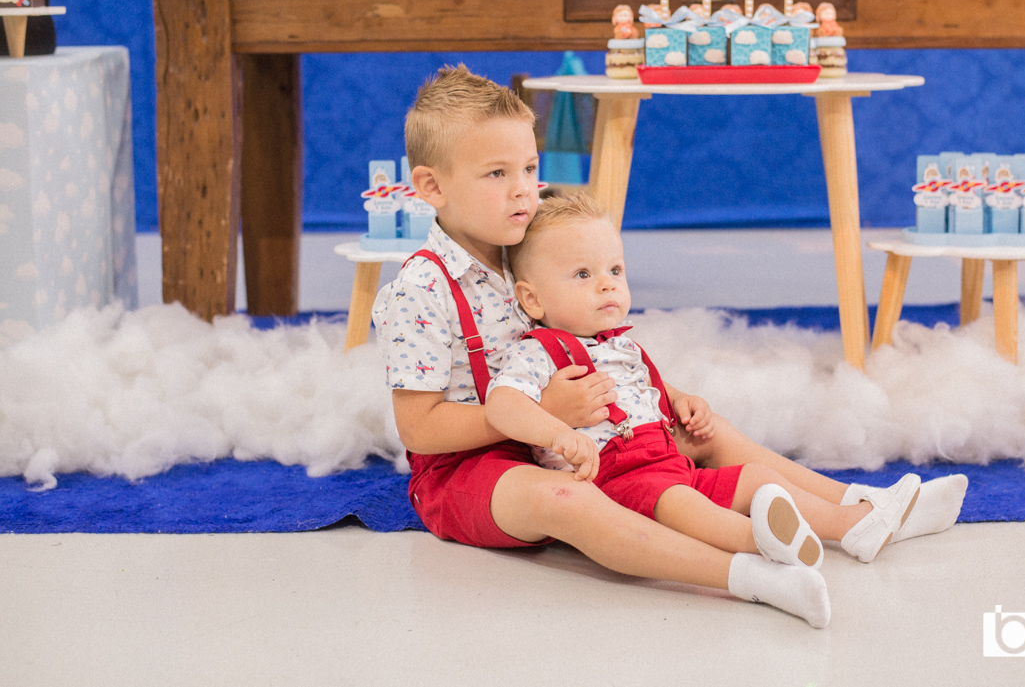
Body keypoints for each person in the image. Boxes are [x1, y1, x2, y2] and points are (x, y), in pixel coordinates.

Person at [372, 64, 966, 625]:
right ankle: (749, 575)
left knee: (700, 433)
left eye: (530, 168)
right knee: (565, 501)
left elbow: (589, 345)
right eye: (496, 175)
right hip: (470, 468)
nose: (523, 191)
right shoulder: (421, 290)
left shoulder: (522, 247)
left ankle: (858, 510)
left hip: (569, 435)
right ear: (432, 186)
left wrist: (662, 395)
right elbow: (419, 430)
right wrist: (542, 416)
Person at [485, 194, 923, 579]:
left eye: (615, 269)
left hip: (667, 461)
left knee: (757, 477)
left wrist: (681, 400)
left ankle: (850, 525)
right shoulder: (538, 351)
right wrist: (555, 433)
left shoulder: (620, 344)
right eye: (583, 274)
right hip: (614, 481)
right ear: (532, 299)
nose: (607, 283)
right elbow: (502, 403)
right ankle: (762, 544)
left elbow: (649, 389)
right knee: (686, 506)